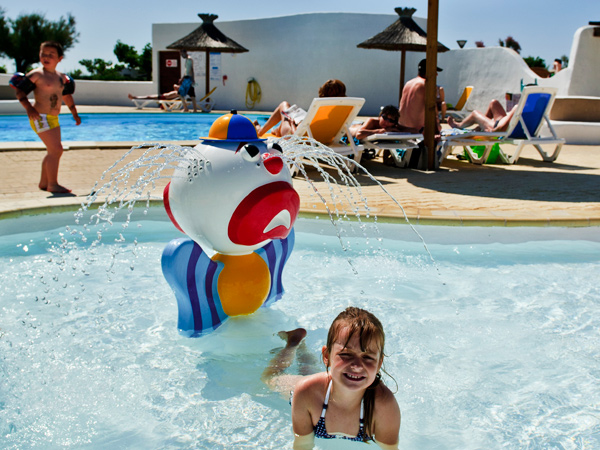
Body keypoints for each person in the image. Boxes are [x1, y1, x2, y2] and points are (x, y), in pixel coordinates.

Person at [262, 307, 401, 449]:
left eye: (368, 357)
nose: (357, 366)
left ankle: (301, 344)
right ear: (327, 356)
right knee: (270, 377)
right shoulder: (305, 392)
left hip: (324, 384)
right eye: (346, 355)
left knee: (308, 371)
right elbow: (302, 444)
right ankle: (292, 344)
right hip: (311, 391)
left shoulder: (384, 406)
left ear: (379, 364)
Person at [11, 41, 81, 194]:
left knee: (53, 150)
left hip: (53, 118)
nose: (46, 57)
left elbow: (66, 96)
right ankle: (52, 184)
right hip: (40, 117)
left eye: (51, 55)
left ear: (59, 59)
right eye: (43, 54)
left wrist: (74, 113)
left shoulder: (61, 78)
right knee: (56, 149)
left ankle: (44, 183)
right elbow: (20, 92)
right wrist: (29, 108)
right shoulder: (36, 75)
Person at [256, 79, 347, 137]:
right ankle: (276, 130)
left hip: (297, 138)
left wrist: (291, 123)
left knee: (284, 105)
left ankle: (260, 131)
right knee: (290, 115)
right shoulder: (343, 110)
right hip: (323, 139)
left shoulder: (321, 108)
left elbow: (296, 135)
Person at [398, 59, 442, 134]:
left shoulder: (408, 83)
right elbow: (431, 110)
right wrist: (436, 132)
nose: (436, 74)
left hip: (401, 127)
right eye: (435, 71)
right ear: (429, 71)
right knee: (439, 127)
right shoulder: (426, 84)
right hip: (416, 130)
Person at [447, 98, 517, 132]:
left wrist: (494, 131)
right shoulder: (524, 107)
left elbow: (502, 128)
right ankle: (480, 128)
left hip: (498, 128)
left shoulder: (518, 106)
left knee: (475, 113)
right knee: (494, 103)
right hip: (503, 122)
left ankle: (458, 125)